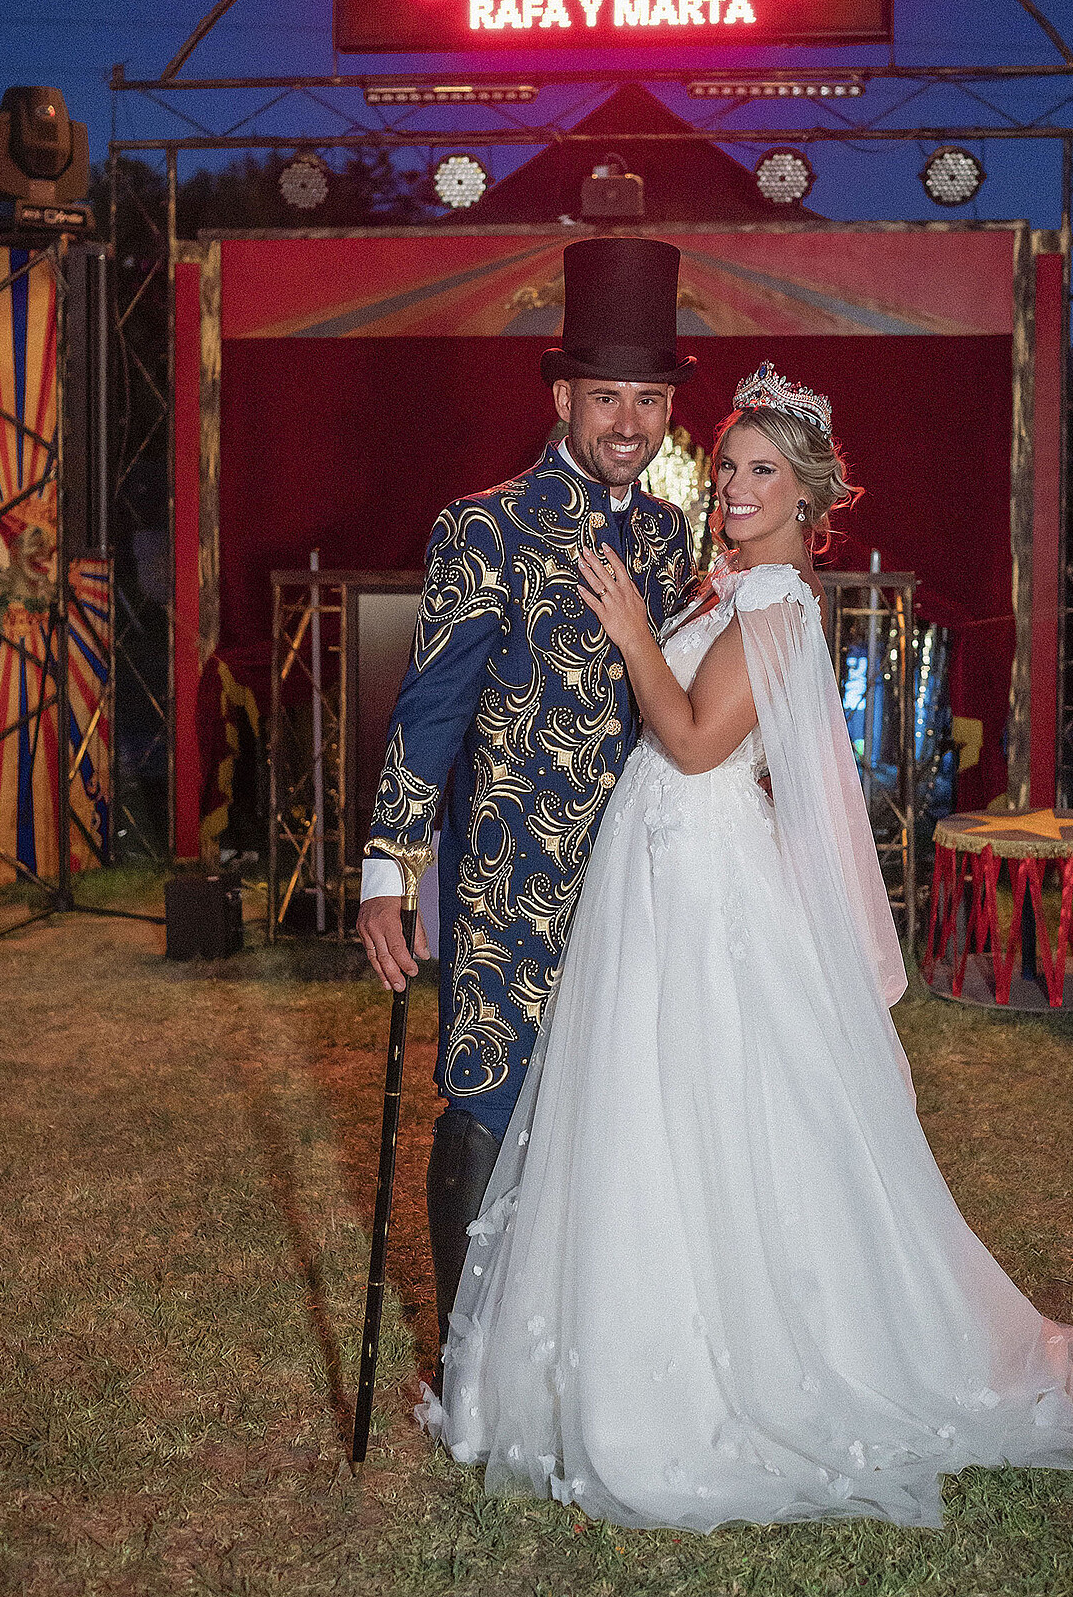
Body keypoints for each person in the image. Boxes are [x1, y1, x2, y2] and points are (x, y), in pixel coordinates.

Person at [421, 362, 1073, 1532]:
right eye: (728, 465)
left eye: (762, 471)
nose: (735, 487)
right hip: (658, 866)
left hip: (700, 879)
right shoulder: (737, 585)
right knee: (646, 1105)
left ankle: (733, 1364)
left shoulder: (780, 602)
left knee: (702, 1103)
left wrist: (633, 634)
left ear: (807, 494)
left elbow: (696, 742)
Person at [358, 238, 697, 1357]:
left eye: (649, 399)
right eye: (607, 397)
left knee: (618, 1099)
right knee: (487, 1092)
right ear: (562, 398)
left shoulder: (669, 534)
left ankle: (583, 1342)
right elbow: (429, 710)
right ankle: (466, 1359)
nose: (629, 422)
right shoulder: (485, 525)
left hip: (638, 874)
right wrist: (388, 870)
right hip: (510, 880)